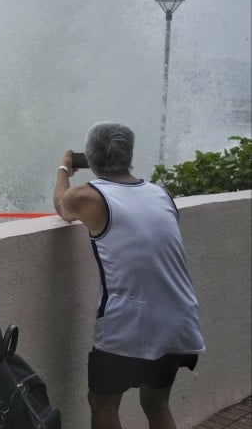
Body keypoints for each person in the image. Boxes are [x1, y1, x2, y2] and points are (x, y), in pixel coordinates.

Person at [53, 122, 205, 429]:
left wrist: (64, 168)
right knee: (156, 402)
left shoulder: (88, 195)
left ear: (92, 158)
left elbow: (61, 205)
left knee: (103, 403)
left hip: (128, 324)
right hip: (179, 320)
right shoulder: (161, 194)